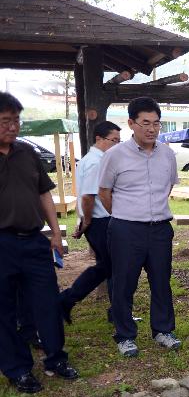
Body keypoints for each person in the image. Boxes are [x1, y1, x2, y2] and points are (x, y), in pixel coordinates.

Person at [0, 92, 78, 392]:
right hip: (2, 245)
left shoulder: (27, 153)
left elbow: (44, 193)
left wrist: (56, 233)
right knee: (4, 309)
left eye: (16, 121)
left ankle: (56, 358)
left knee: (46, 301)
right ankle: (18, 369)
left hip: (34, 240)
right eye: (6, 121)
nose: (13, 127)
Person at [98, 97, 182, 357]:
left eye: (156, 123)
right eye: (145, 123)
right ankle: (124, 335)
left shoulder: (167, 154)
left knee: (161, 281)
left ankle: (163, 330)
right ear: (131, 123)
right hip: (126, 229)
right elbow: (104, 192)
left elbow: (168, 187)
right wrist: (125, 215)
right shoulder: (114, 155)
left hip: (159, 228)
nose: (151, 129)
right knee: (124, 282)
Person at [59, 121, 121, 323]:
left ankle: (116, 312)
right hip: (100, 222)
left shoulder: (94, 159)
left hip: (98, 222)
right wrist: (86, 221)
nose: (117, 145)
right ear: (99, 139)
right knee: (109, 267)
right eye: (114, 141)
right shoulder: (97, 162)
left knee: (110, 267)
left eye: (119, 141)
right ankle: (66, 300)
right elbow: (87, 196)